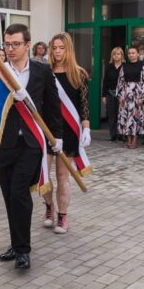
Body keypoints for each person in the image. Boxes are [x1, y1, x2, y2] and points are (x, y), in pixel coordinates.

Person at [0, 24, 62, 270]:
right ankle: (15, 243)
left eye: (15, 44)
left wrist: (58, 137)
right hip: (5, 143)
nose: (10, 49)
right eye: (7, 44)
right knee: (8, 196)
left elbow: (53, 107)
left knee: (19, 193)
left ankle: (23, 250)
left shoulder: (42, 71)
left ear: (27, 45)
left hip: (32, 143)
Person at [43, 32, 89, 235]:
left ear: (68, 49)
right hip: (46, 129)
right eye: (54, 48)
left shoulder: (79, 74)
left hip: (69, 131)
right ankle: (48, 207)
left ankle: (62, 216)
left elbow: (83, 106)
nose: (57, 51)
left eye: (61, 48)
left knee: (62, 177)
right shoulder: (44, 72)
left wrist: (86, 128)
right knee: (43, 175)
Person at [117, 46, 144, 149]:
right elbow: (120, 81)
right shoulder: (124, 66)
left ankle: (134, 140)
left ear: (138, 54)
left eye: (133, 53)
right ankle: (128, 139)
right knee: (126, 118)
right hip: (126, 95)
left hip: (137, 95)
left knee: (135, 118)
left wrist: (142, 97)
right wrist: (120, 95)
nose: (131, 55)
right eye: (129, 53)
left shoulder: (143, 66)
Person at [102, 47, 124, 142]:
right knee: (111, 114)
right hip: (110, 93)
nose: (116, 56)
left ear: (122, 55)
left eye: (118, 54)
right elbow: (105, 81)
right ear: (112, 56)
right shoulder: (109, 67)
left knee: (121, 114)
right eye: (114, 54)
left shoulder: (125, 66)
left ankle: (121, 134)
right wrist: (103, 95)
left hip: (122, 94)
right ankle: (113, 135)